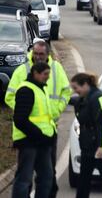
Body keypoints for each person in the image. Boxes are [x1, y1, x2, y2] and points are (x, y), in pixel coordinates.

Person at [6, 39, 70, 198]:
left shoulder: (56, 68)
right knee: (25, 178)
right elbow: (10, 97)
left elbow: (65, 92)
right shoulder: (23, 72)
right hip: (29, 135)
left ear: (48, 54)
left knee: (47, 175)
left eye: (42, 54)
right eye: (36, 54)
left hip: (48, 133)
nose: (38, 57)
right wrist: (24, 109)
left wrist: (56, 111)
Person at [11, 62, 56, 198]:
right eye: (45, 74)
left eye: (49, 74)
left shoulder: (41, 88)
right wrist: (40, 135)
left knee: (46, 177)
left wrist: (50, 136)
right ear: (35, 73)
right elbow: (20, 120)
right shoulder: (26, 90)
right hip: (29, 142)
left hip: (42, 142)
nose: (48, 77)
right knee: (24, 179)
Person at [70, 73, 102, 198]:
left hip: (96, 145)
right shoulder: (85, 98)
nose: (75, 91)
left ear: (86, 85)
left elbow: (100, 124)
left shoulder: (97, 98)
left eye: (76, 88)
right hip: (87, 144)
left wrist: (100, 145)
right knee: (84, 179)